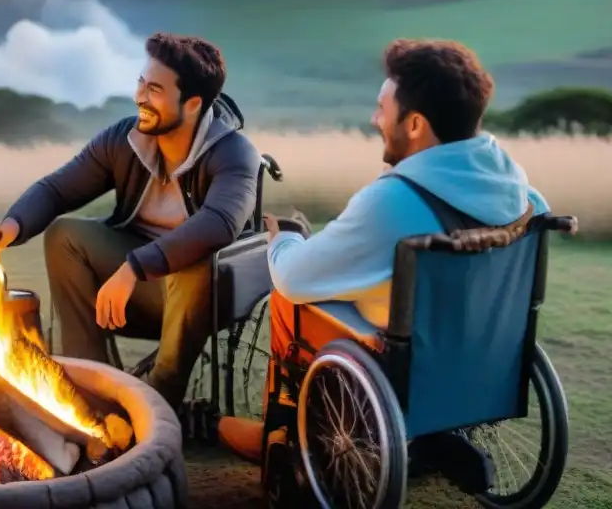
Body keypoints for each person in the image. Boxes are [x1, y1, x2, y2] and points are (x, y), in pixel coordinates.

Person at [216, 39, 548, 490]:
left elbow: (295, 278)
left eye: (381, 109)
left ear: (414, 123)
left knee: (287, 300)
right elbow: (531, 215)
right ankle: (436, 435)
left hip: (406, 360)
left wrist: (284, 241)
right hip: (484, 351)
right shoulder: (513, 183)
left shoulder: (393, 200)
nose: (375, 120)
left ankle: (285, 432)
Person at [0, 33, 261, 410]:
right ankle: (88, 393)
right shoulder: (124, 140)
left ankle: (157, 406)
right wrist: (11, 226)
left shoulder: (235, 153)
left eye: (155, 89)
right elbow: (58, 189)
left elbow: (220, 223)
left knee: (195, 266)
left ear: (191, 104)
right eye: (141, 82)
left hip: (202, 294)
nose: (140, 96)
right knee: (65, 236)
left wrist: (134, 268)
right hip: (137, 285)